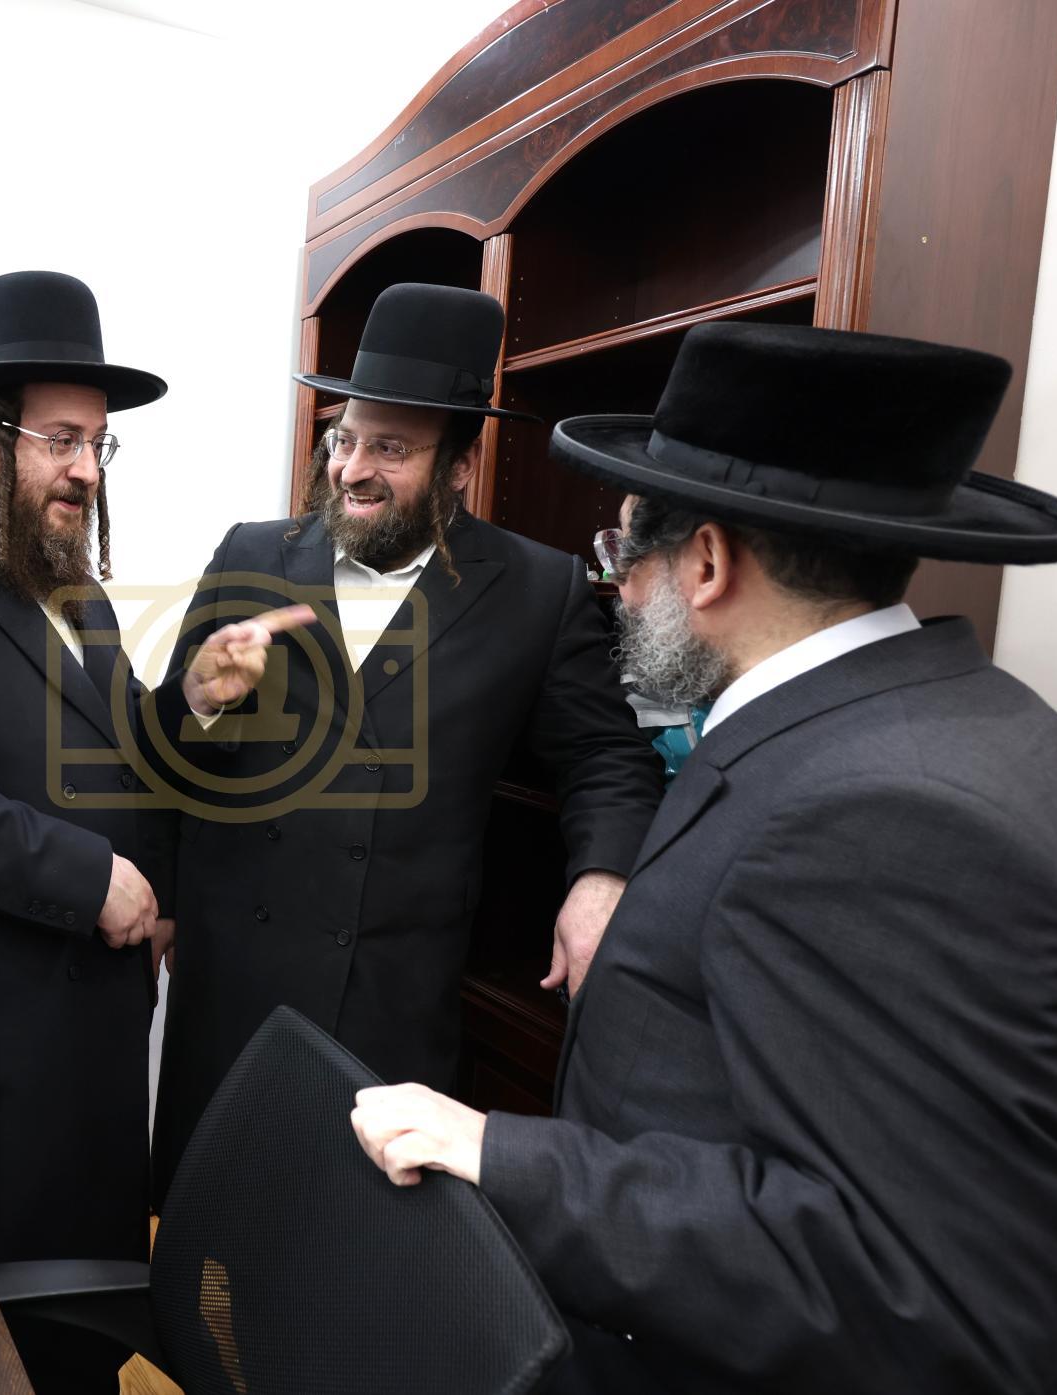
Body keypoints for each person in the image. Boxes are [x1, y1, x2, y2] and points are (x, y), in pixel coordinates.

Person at [348, 322, 1057, 1395]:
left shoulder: (892, 821)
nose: (620, 592)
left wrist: (499, 1153)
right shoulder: (987, 737)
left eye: (623, 555)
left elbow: (907, 1287)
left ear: (705, 562)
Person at [0, 270, 304, 1392]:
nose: (88, 469)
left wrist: (195, 698)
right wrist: (94, 878)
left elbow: (120, 758)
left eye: (99, 444)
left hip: (91, 1056)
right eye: (63, 441)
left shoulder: (80, 594)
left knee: (78, 1341)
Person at [152, 282, 664, 1205]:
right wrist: (198, 696)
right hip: (233, 981)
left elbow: (607, 758)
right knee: (210, 1241)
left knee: (352, 1255)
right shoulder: (251, 553)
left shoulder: (536, 590)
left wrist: (602, 880)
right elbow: (167, 752)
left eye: (390, 448)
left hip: (388, 999)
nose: (352, 468)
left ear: (461, 465)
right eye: (344, 439)